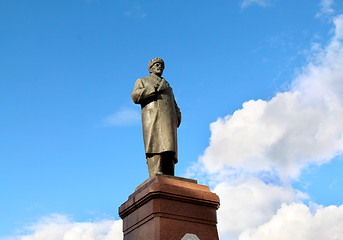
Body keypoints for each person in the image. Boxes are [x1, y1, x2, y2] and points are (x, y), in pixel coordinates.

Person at [131, 58, 181, 177]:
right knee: (155, 145)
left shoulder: (168, 87)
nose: (159, 67)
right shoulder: (142, 81)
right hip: (152, 118)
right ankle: (155, 173)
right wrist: (153, 89)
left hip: (168, 121)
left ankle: (169, 174)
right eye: (157, 65)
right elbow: (135, 96)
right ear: (150, 68)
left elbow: (174, 104)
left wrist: (177, 116)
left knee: (169, 147)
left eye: (161, 66)